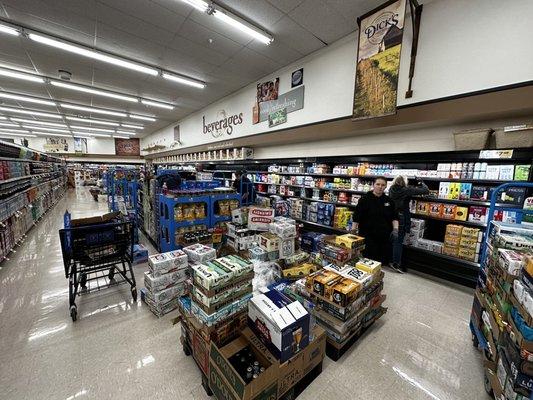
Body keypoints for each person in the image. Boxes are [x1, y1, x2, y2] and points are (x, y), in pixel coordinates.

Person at [353, 176, 399, 270]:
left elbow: (394, 217)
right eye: (378, 184)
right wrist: (353, 230)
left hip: (383, 237)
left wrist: (395, 229)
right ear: (373, 185)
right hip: (367, 236)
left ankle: (376, 279)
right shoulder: (364, 199)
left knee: (379, 262)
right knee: (367, 261)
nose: (380, 187)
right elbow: (356, 216)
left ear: (386, 187)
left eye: (383, 185)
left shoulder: (389, 201)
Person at [389, 175, 430, 272]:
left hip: (392, 215)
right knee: (399, 241)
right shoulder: (406, 190)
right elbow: (425, 190)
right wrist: (420, 181)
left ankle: (390, 259)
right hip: (401, 217)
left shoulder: (391, 189)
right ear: (404, 182)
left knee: (393, 238)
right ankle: (396, 263)